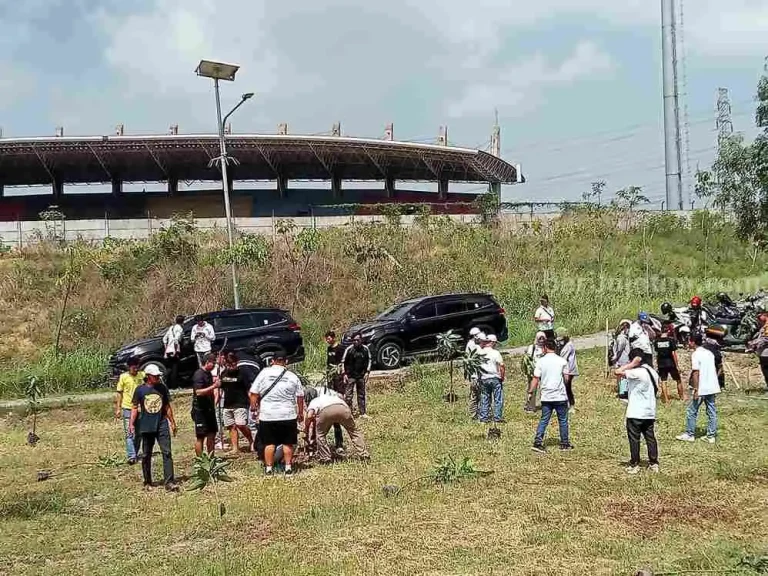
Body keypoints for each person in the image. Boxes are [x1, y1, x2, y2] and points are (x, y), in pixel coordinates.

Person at [249, 352, 304, 475]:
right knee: (287, 442)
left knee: (269, 443)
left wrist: (254, 408)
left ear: (272, 361)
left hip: (268, 414)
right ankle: (288, 468)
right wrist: (300, 412)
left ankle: (269, 469)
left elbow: (253, 393)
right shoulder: (292, 376)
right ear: (286, 362)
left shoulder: (264, 373)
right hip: (287, 414)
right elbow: (300, 396)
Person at [129, 365, 178, 491]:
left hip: (161, 424)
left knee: (167, 452)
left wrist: (172, 422)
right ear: (148, 376)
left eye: (158, 376)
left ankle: (169, 482)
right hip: (146, 425)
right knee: (146, 454)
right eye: (155, 376)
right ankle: (148, 481)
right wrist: (131, 425)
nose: (157, 377)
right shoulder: (140, 390)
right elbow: (134, 408)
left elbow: (166, 406)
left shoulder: (162, 388)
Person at [303, 386, 369, 464]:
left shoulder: (314, 401)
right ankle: (364, 454)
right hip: (343, 408)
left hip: (326, 411)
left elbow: (309, 416)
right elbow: (341, 396)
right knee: (354, 431)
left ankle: (325, 458)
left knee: (320, 435)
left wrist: (306, 428)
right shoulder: (330, 395)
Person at [528, 338, 573, 453]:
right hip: (560, 396)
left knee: (544, 419)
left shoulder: (541, 361)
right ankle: (564, 443)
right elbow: (567, 378)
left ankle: (538, 442)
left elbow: (535, 379)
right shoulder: (562, 361)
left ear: (545, 348)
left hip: (546, 396)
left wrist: (530, 392)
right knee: (563, 420)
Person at [615, 361, 660, 474]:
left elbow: (618, 372)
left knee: (634, 439)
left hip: (635, 412)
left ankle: (635, 463)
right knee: (650, 438)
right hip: (649, 411)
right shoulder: (653, 372)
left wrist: (631, 364)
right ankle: (654, 463)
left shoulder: (637, 372)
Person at [676, 333, 720, 443]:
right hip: (711, 386)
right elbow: (714, 369)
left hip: (702, 387)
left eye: (689, 341)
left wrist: (696, 389)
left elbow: (696, 372)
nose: (688, 343)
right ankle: (711, 436)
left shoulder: (696, 354)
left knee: (692, 410)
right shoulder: (709, 353)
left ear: (693, 342)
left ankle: (690, 434)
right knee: (711, 411)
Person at [219, 352, 254, 453]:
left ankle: (251, 440)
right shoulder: (223, 373)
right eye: (228, 365)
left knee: (241, 424)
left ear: (237, 362)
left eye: (233, 364)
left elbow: (249, 390)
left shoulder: (242, 373)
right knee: (231, 426)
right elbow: (221, 388)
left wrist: (252, 403)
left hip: (241, 403)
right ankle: (235, 448)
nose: (231, 367)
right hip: (227, 403)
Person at [115, 359, 144, 464]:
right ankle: (131, 456)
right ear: (129, 367)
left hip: (140, 408)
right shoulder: (123, 377)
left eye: (137, 367)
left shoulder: (142, 376)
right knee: (129, 433)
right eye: (133, 368)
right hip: (127, 408)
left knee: (139, 433)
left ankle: (135, 452)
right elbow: (119, 393)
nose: (135, 369)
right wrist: (118, 408)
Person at [191, 353, 220, 456]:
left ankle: (211, 457)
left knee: (212, 434)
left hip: (209, 409)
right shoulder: (199, 374)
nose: (214, 365)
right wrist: (214, 386)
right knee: (201, 436)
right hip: (200, 410)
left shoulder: (208, 374)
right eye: (213, 363)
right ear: (207, 362)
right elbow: (198, 392)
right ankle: (200, 459)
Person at [342, 333, 372, 419]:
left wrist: (367, 372)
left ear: (361, 340)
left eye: (357, 340)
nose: (356, 341)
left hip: (361, 376)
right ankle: (349, 413)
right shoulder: (349, 349)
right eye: (354, 340)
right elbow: (343, 362)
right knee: (348, 395)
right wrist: (344, 374)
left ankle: (362, 413)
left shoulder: (365, 349)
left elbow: (369, 360)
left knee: (361, 395)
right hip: (350, 375)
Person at [324, 331, 345, 451]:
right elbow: (328, 362)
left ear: (333, 338)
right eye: (326, 338)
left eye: (329, 338)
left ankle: (339, 444)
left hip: (338, 376)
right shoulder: (328, 349)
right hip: (330, 376)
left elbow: (342, 362)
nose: (328, 340)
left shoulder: (340, 348)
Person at [477, 334, 505, 424]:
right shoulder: (495, 353)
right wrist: (502, 376)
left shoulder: (480, 353)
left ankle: (484, 418)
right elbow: (502, 365)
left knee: (484, 397)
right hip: (494, 377)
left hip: (484, 378)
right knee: (498, 398)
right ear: (492, 342)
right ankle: (497, 417)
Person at [654, 323, 683, 402]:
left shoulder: (656, 341)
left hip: (661, 363)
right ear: (668, 331)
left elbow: (657, 354)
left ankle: (666, 400)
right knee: (678, 380)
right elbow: (673, 353)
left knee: (663, 381)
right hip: (671, 363)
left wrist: (657, 364)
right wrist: (677, 365)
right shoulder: (671, 340)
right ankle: (681, 397)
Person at [556, 327, 578, 412]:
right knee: (562, 387)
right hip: (563, 369)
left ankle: (571, 405)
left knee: (567, 387)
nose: (559, 341)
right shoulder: (560, 344)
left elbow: (563, 359)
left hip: (568, 370)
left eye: (561, 339)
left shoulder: (569, 346)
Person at [523, 331, 546, 412]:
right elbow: (528, 358)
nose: (542, 340)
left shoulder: (546, 347)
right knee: (532, 388)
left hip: (544, 371)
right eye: (540, 338)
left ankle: (546, 405)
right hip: (533, 371)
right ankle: (530, 406)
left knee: (545, 388)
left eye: (543, 338)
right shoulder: (531, 347)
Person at [466, 327, 485, 419]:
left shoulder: (469, 344)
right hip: (477, 376)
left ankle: (473, 414)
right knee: (479, 395)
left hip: (472, 375)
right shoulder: (474, 346)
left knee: (474, 396)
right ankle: (478, 414)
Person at [162, 315, 184, 388]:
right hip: (174, 351)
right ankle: (174, 386)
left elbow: (164, 339)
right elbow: (176, 340)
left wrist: (166, 350)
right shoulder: (180, 328)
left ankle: (166, 382)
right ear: (182, 322)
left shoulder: (171, 328)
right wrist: (175, 351)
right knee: (175, 369)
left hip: (168, 351)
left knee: (169, 368)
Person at [613, 320, 631, 400]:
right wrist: (616, 357)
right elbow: (620, 349)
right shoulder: (622, 338)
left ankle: (623, 391)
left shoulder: (622, 337)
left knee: (622, 376)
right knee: (623, 376)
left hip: (622, 359)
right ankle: (623, 392)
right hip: (623, 359)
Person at [747, 324, 768, 392]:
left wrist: (753, 344)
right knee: (765, 371)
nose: (758, 319)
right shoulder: (763, 326)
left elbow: (765, 339)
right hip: (763, 353)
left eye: (759, 316)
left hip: (766, 353)